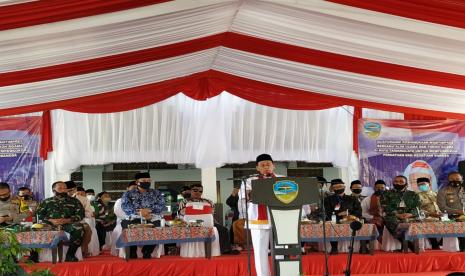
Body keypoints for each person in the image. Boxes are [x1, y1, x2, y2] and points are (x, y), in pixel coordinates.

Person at [239, 153, 282, 276]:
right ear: (257, 168)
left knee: (281, 249)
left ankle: (282, 272)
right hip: (258, 220)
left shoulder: (282, 179)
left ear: (274, 166)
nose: (266, 167)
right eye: (262, 165)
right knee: (260, 251)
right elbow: (243, 198)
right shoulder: (249, 180)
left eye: (268, 164)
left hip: (280, 219)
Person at [178, 183, 239, 255]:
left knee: (223, 230)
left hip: (208, 223)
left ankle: (226, 250)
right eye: (195, 190)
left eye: (200, 191)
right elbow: (182, 214)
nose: (198, 193)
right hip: (191, 224)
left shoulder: (208, 202)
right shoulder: (184, 202)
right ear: (190, 191)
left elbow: (211, 215)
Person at [35, 181, 85, 262]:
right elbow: (39, 215)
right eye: (60, 188)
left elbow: (81, 214)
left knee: (79, 228)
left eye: (65, 188)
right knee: (34, 229)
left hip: (67, 224)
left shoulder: (74, 201)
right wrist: (50, 220)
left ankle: (70, 255)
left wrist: (67, 220)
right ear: (54, 190)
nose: (63, 190)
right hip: (49, 224)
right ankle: (33, 256)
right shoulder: (46, 202)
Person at [121, 172, 165, 259]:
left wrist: (149, 210)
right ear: (137, 182)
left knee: (158, 227)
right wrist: (139, 212)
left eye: (148, 180)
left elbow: (162, 205)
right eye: (144, 180)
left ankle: (147, 250)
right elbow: (125, 206)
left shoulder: (156, 193)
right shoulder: (129, 193)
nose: (147, 182)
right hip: (134, 217)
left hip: (151, 217)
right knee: (127, 227)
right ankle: (132, 251)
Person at [381, 175, 420, 252]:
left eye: (401, 182)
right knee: (389, 220)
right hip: (393, 216)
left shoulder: (413, 194)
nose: (398, 183)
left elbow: (417, 207)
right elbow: (385, 206)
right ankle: (409, 244)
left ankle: (404, 245)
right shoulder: (386, 194)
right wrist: (397, 214)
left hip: (410, 216)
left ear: (406, 183)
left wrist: (410, 214)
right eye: (396, 181)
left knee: (416, 222)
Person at [324, 179, 362, 255]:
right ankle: (334, 247)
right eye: (336, 187)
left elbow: (359, 211)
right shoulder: (328, 199)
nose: (339, 189)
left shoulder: (352, 198)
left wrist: (350, 215)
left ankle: (363, 246)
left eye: (341, 186)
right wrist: (338, 214)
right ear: (332, 188)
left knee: (362, 223)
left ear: (344, 187)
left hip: (351, 219)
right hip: (336, 219)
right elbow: (327, 212)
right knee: (332, 225)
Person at [437, 171, 465, 251]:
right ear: (448, 180)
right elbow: (442, 207)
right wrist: (459, 211)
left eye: (457, 179)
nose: (455, 181)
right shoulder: (443, 191)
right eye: (452, 179)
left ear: (462, 180)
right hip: (449, 217)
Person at [65, 180, 94, 257]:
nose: (69, 192)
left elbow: (89, 213)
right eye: (67, 190)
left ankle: (83, 249)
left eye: (71, 190)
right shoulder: (59, 198)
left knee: (87, 229)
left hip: (79, 220)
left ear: (75, 189)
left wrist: (78, 215)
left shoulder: (83, 199)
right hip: (63, 221)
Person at [416, 177, 441, 249]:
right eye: (419, 185)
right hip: (426, 216)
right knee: (427, 223)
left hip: (439, 215)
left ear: (429, 184)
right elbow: (417, 209)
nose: (421, 186)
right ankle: (434, 243)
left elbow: (442, 205)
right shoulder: (417, 196)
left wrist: (442, 213)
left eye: (423, 184)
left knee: (450, 222)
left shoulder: (436, 194)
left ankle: (441, 242)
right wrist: (430, 214)